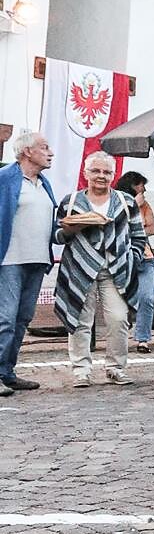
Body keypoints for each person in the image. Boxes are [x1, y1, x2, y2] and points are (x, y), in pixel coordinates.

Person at [55, 152, 145, 387]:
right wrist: (74, 227)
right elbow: (56, 236)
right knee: (79, 320)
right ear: (86, 174)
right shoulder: (71, 202)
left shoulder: (125, 202)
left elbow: (138, 235)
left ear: (113, 176)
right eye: (96, 171)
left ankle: (116, 367)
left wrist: (132, 258)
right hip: (79, 269)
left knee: (118, 319)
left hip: (115, 271)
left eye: (106, 172)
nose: (101, 176)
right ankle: (81, 370)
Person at [0, 132, 56, 396]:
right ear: (26, 152)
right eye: (44, 148)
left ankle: (7, 372)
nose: (50, 152)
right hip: (9, 260)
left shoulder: (44, 184)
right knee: (5, 319)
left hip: (37, 259)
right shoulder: (5, 179)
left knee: (22, 319)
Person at [114, 171, 154, 353]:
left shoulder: (145, 205)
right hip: (123, 257)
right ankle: (120, 338)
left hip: (145, 257)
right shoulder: (116, 202)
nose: (144, 190)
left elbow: (153, 228)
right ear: (133, 186)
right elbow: (116, 227)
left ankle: (143, 339)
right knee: (119, 300)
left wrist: (134, 230)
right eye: (142, 186)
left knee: (147, 297)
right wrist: (133, 209)